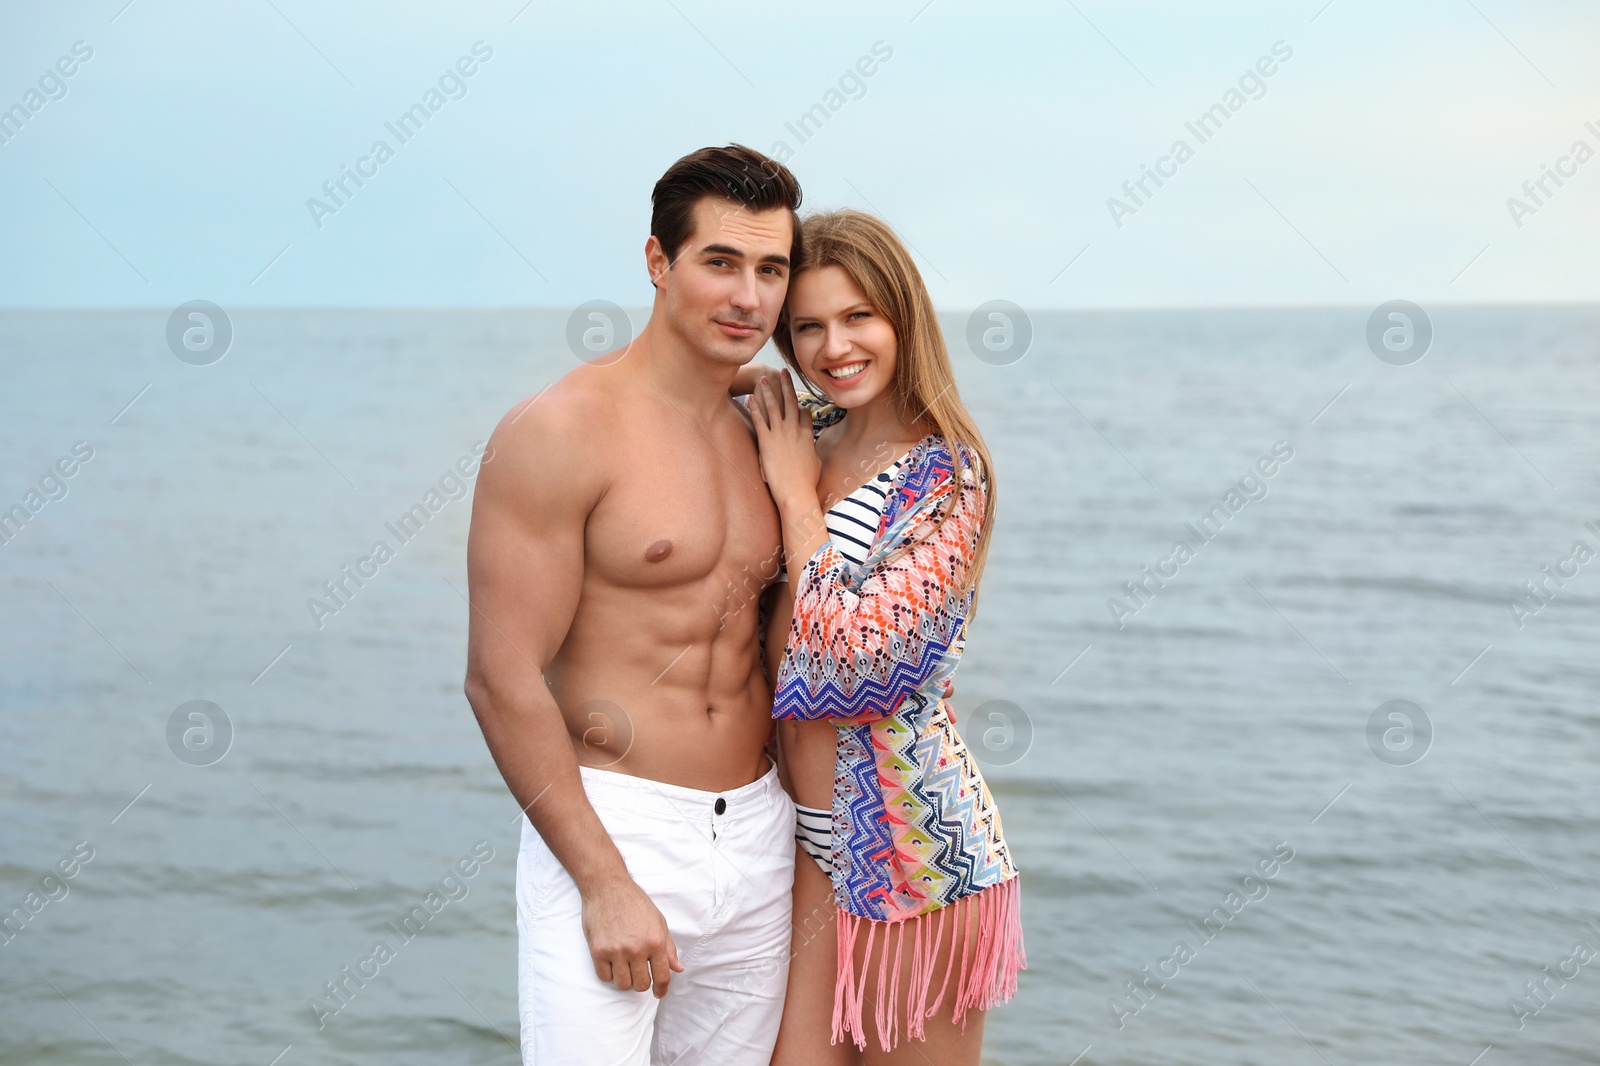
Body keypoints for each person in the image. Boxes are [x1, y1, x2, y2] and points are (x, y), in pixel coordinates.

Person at [462, 144, 805, 1065]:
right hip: (616, 828)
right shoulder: (561, 431)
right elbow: (501, 679)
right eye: (720, 263)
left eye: (771, 269)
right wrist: (602, 882)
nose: (749, 298)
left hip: (760, 831)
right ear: (658, 263)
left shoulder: (772, 423)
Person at [744, 209, 1025, 1064]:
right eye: (809, 327)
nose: (835, 346)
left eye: (859, 316)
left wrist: (798, 501)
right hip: (806, 843)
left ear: (903, 316)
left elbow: (859, 668)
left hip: (914, 846)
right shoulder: (804, 433)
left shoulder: (945, 475)